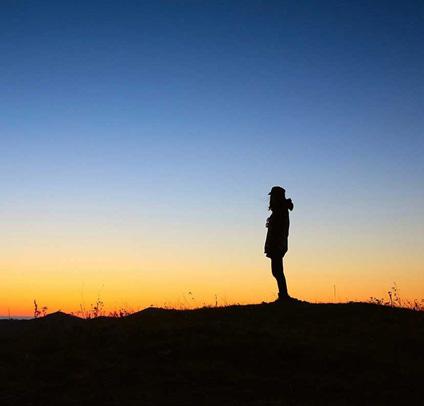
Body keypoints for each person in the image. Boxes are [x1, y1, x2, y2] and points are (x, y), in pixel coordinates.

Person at [264, 186, 294, 302]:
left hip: (277, 244)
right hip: (277, 244)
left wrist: (276, 244)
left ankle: (283, 295)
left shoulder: (280, 211)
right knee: (277, 271)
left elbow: (279, 230)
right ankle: (283, 295)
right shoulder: (279, 211)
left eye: (273, 196)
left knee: (277, 271)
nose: (271, 199)